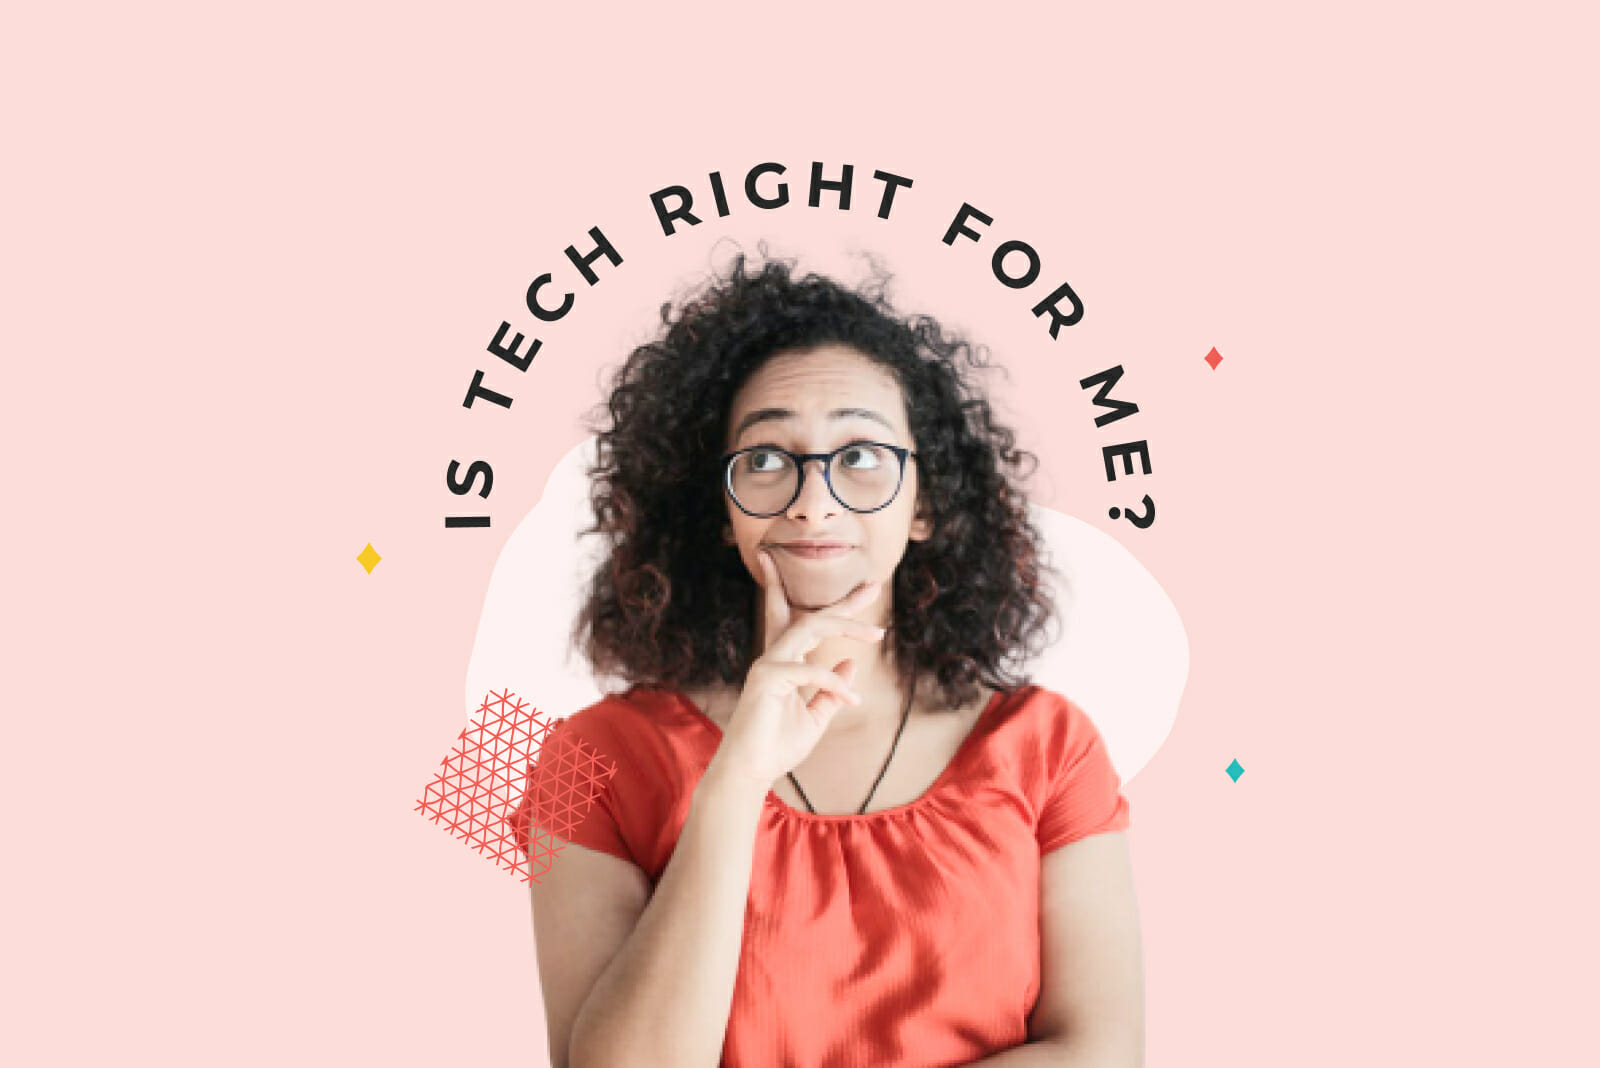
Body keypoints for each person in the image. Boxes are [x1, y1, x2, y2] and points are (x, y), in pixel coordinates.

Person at [509, 251, 1143, 1068]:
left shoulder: (1051, 745)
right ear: (720, 511)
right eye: (767, 459)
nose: (815, 501)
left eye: (861, 457)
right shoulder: (587, 760)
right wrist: (737, 777)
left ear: (926, 506)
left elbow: (1103, 1052)